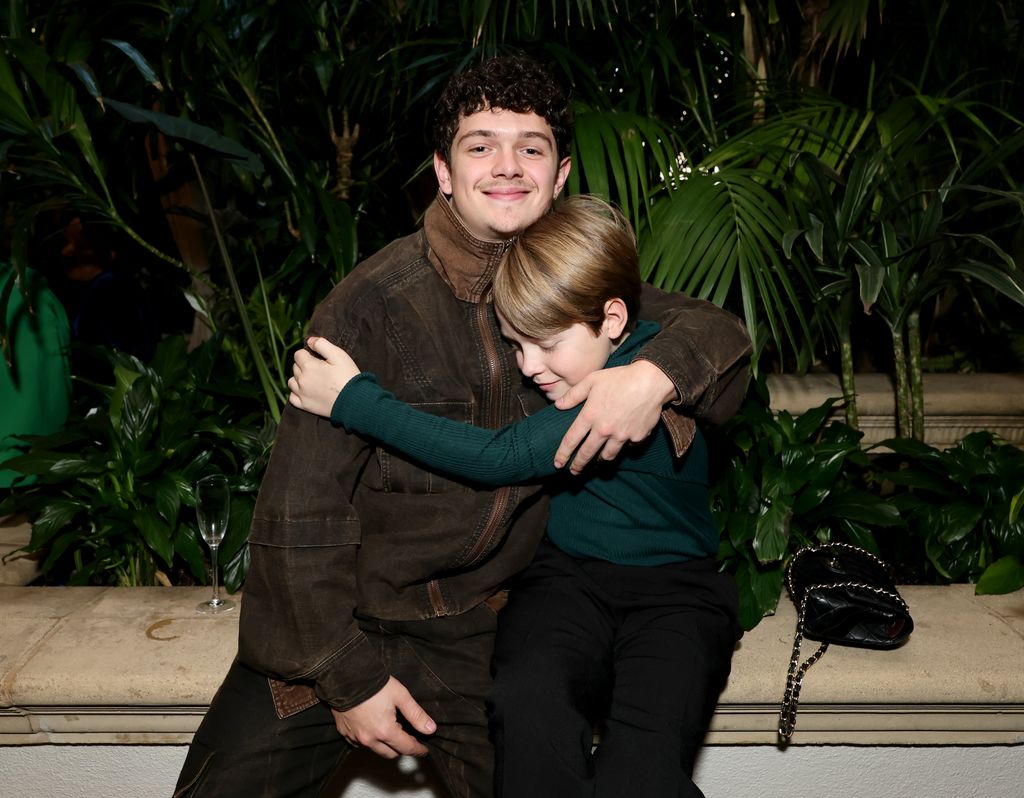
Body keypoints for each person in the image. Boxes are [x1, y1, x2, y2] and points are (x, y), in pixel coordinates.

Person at [175, 54, 751, 798]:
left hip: (484, 625)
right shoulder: (370, 304)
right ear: (443, 172)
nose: (507, 166)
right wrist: (344, 675)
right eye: (481, 145)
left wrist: (652, 375)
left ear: (560, 174)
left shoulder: (572, 282)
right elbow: (300, 509)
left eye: (531, 148)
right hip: (348, 618)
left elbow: (715, 334)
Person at [288, 195, 742, 797]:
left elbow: (497, 457)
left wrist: (354, 401)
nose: (529, 367)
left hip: (675, 594)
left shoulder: (628, 388)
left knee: (644, 771)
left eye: (546, 345)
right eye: (516, 345)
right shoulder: (580, 358)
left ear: (612, 319)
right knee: (526, 705)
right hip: (565, 580)